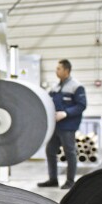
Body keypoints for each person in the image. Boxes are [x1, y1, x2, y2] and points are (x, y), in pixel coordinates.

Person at [38, 59, 87, 190]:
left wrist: (65, 113)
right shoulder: (56, 87)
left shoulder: (76, 86)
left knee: (69, 152)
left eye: (59, 68)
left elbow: (81, 105)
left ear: (67, 70)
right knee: (50, 151)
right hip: (56, 126)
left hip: (68, 126)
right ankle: (53, 179)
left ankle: (70, 181)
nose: (56, 71)